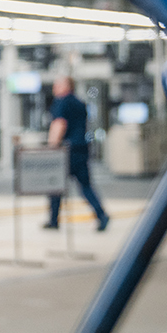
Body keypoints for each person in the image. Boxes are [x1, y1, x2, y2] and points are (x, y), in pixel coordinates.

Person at [44, 76, 109, 231]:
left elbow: (59, 124)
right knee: (85, 186)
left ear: (66, 86)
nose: (54, 87)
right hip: (81, 149)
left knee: (55, 185)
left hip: (66, 151)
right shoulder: (80, 103)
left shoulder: (61, 101)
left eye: (57, 83)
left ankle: (53, 220)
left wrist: (51, 146)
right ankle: (101, 215)